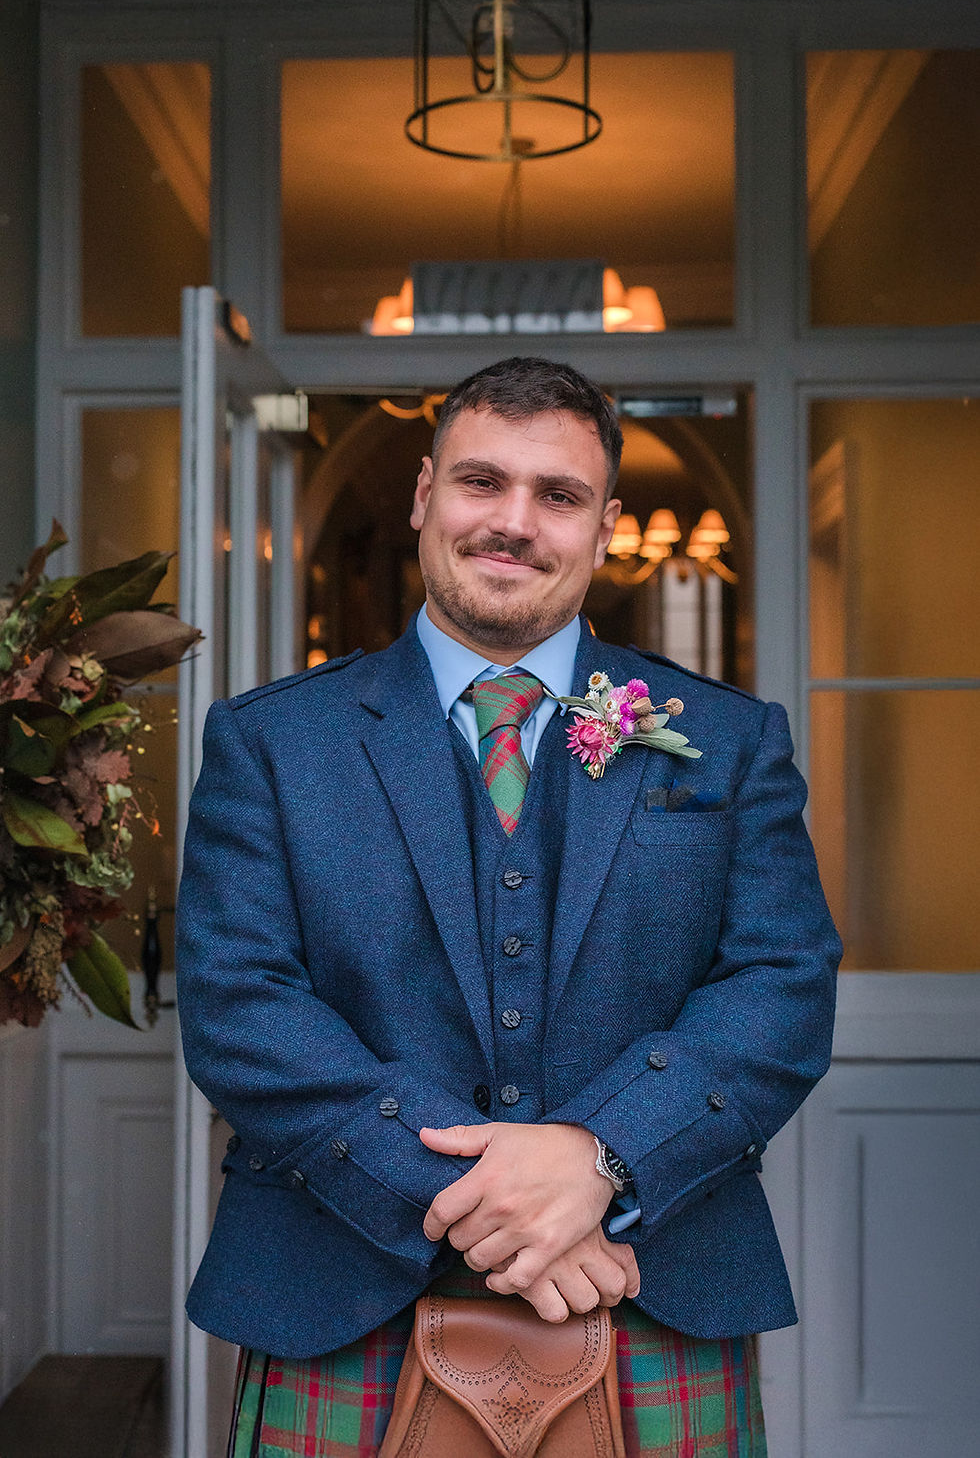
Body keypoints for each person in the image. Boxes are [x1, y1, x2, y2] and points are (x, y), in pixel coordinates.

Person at [176, 356, 840, 1457]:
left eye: (558, 494)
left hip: (650, 1282)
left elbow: (780, 986)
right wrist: (495, 1210)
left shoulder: (726, 738)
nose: (513, 522)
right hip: (341, 1290)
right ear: (424, 492)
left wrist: (601, 1159)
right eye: (482, 483)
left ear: (606, 524)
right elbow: (241, 1008)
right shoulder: (272, 739)